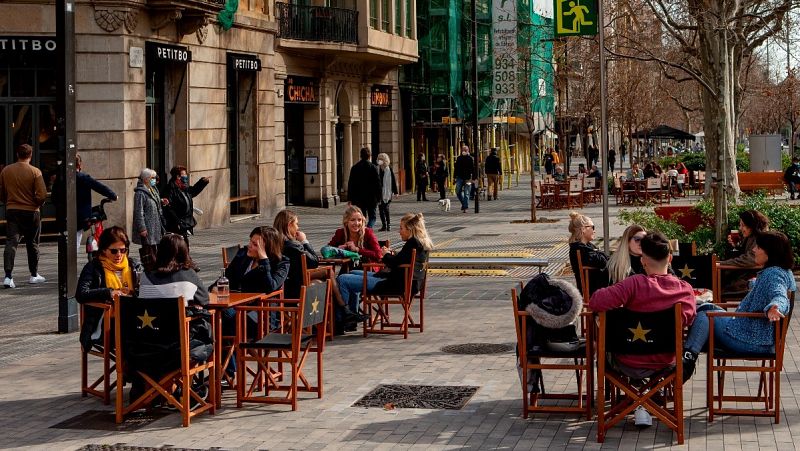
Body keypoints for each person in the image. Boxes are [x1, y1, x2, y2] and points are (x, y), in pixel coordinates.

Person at [590, 231, 696, 426]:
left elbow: (595, 300)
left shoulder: (633, 284)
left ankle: (637, 402)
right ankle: (646, 402)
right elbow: (687, 322)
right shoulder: (684, 290)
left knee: (606, 347)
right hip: (665, 361)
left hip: (626, 359)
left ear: (643, 260)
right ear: (670, 258)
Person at [682, 231, 796, 381]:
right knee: (706, 308)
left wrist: (775, 307)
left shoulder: (773, 274)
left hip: (751, 340)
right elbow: (773, 289)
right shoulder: (783, 271)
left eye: (758, 247)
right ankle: (690, 351)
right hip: (756, 336)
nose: (754, 250)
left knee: (704, 315)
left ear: (769, 252)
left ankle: (686, 362)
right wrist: (754, 284)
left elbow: (779, 295)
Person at [336, 212, 433, 332]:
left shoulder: (412, 243)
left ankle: (342, 320)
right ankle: (351, 316)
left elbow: (394, 263)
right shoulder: (422, 244)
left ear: (410, 230)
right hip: (407, 283)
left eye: (401, 228)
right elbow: (402, 260)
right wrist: (391, 254)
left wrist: (385, 255)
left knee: (342, 279)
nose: (399, 231)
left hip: (393, 284)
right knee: (353, 273)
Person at [76, 226, 140, 352]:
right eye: (114, 251)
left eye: (123, 250)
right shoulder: (93, 267)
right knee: (133, 341)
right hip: (105, 324)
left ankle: (132, 370)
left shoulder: (134, 265)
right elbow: (81, 294)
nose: (119, 255)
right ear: (104, 250)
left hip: (134, 319)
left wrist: (133, 292)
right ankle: (128, 370)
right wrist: (109, 292)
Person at [0, 144, 47, 288]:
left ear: (17, 154)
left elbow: (1, 193)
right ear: (30, 155)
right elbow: (42, 195)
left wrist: (9, 202)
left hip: (12, 210)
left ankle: (8, 276)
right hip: (32, 212)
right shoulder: (35, 172)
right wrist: (37, 203)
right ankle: (34, 274)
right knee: (32, 243)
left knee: (11, 242)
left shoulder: (6, 171)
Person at [138, 233, 209, 307]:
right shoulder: (189, 274)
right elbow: (204, 300)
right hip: (178, 318)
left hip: (149, 317)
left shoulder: (145, 276)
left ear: (159, 252)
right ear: (184, 252)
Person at [225, 226, 290, 295]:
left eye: (255, 244)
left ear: (268, 248)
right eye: (250, 241)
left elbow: (270, 287)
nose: (249, 245)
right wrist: (215, 287)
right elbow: (226, 276)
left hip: (259, 304)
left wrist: (264, 260)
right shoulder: (243, 254)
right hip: (234, 300)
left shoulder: (281, 263)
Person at [75, 154, 118, 252]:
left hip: (65, 214)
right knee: (76, 238)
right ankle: (72, 262)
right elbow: (99, 187)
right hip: (80, 215)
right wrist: (113, 196)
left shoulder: (61, 178)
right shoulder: (82, 177)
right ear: (79, 165)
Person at [163, 166, 210, 244]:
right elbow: (169, 208)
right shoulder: (170, 189)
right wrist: (177, 222)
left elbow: (193, 191)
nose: (186, 176)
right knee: (179, 247)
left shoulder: (183, 187)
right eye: (184, 175)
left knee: (184, 246)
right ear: (178, 176)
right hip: (176, 224)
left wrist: (202, 182)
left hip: (184, 223)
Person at [132, 168, 167, 270]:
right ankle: (151, 269)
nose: (155, 180)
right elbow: (139, 212)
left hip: (155, 225)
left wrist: (161, 201)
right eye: (153, 178)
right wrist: (142, 228)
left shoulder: (152, 189)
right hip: (148, 227)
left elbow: (153, 201)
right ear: (146, 179)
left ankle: (156, 268)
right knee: (149, 250)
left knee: (156, 249)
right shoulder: (140, 193)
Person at [568, 212, 608, 296]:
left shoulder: (588, 246)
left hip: (598, 286)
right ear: (583, 229)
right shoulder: (579, 248)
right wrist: (599, 253)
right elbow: (603, 261)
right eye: (592, 227)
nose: (594, 230)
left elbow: (605, 257)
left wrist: (599, 253)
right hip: (593, 290)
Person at [347, 147, 381, 229]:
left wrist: (350, 198)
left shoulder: (355, 168)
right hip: (371, 198)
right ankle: (368, 229)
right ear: (369, 156)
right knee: (372, 217)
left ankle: (363, 231)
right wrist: (379, 198)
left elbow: (351, 184)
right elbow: (378, 184)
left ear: (360, 156)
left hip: (358, 198)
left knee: (361, 217)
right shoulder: (373, 168)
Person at [376, 153, 398, 231]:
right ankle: (384, 225)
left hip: (387, 193)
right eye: (378, 159)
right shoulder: (378, 169)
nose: (379, 161)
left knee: (386, 208)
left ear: (384, 160)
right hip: (379, 193)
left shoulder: (389, 169)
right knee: (380, 209)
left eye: (380, 159)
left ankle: (388, 224)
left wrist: (396, 192)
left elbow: (393, 181)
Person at [454, 145, 475, 212]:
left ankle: (465, 207)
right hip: (459, 177)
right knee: (457, 191)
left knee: (466, 193)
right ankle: (464, 204)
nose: (464, 151)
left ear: (468, 150)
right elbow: (456, 168)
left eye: (465, 150)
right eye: (463, 150)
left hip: (468, 178)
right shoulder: (459, 158)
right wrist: (454, 177)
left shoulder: (470, 158)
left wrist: (474, 178)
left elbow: (473, 169)